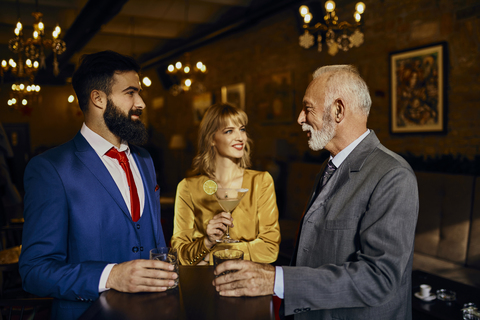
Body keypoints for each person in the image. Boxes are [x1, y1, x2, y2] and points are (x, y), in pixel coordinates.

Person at [212, 65, 419, 320]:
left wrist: (277, 280)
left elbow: (379, 279)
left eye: (307, 108)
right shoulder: (330, 165)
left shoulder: (393, 175)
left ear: (338, 111)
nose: (300, 118)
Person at [19, 51, 177, 320]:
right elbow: (35, 271)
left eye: (139, 92)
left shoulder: (145, 159)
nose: (141, 102)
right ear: (98, 98)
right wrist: (111, 275)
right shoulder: (50, 168)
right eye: (130, 92)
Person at [172, 103, 281, 265]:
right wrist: (207, 241)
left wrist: (211, 256)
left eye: (242, 129)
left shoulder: (261, 181)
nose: (240, 137)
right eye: (229, 131)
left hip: (248, 281)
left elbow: (270, 249)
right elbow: (179, 253)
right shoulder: (187, 187)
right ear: (211, 139)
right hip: (204, 282)